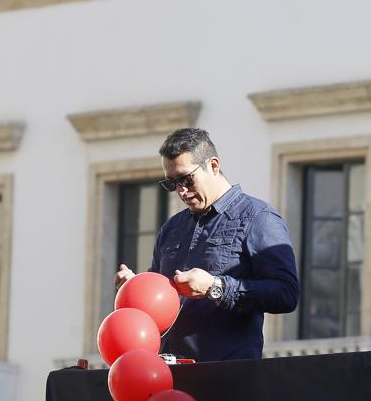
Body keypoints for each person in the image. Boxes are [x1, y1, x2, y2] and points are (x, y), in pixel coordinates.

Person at [114, 128, 299, 360]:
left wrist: (215, 287)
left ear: (213, 165)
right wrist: (136, 288)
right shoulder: (172, 228)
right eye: (172, 183)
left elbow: (286, 293)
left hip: (227, 372)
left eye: (186, 179)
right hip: (170, 372)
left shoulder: (258, 217)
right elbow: (158, 301)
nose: (181, 191)